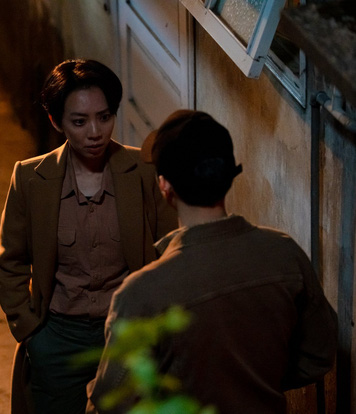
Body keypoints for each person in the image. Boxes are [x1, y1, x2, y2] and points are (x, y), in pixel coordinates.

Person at [87, 110, 338, 414]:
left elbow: (112, 404)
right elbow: (319, 355)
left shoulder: (141, 293)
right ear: (229, 177)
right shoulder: (285, 254)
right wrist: (254, 382)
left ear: (165, 186)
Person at [0, 59, 178, 414]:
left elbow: (169, 251)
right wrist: (32, 332)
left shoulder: (143, 172)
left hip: (128, 334)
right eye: (79, 122)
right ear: (56, 121)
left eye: (104, 117)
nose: (95, 132)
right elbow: (10, 262)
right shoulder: (31, 179)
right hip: (58, 336)